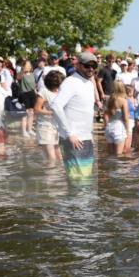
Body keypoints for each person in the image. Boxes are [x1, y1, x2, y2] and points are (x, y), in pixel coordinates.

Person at [50, 51, 99, 182]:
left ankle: (80, 202)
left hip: (86, 138)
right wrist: (69, 133)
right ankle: (74, 202)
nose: (91, 69)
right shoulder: (71, 82)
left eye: (94, 66)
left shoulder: (88, 83)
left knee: (86, 178)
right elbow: (56, 105)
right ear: (78, 65)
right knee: (78, 180)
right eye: (87, 66)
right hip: (73, 139)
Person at [34, 70, 63, 164]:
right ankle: (50, 177)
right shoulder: (44, 91)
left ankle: (58, 177)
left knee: (60, 158)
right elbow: (36, 109)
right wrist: (52, 113)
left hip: (56, 127)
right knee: (51, 158)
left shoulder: (60, 92)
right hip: (45, 127)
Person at [103, 81, 130, 155]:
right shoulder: (123, 101)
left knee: (111, 155)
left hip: (109, 127)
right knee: (119, 155)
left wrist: (105, 125)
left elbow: (105, 114)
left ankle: (110, 166)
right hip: (119, 127)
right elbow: (125, 118)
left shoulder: (108, 99)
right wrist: (128, 130)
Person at [16, 61, 37, 137]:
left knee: (31, 113)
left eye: (29, 65)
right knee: (25, 113)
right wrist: (22, 69)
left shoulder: (32, 74)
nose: (28, 66)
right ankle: (24, 131)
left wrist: (36, 93)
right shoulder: (22, 74)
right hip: (24, 94)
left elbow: (34, 86)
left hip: (32, 94)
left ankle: (30, 129)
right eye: (26, 65)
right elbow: (18, 77)